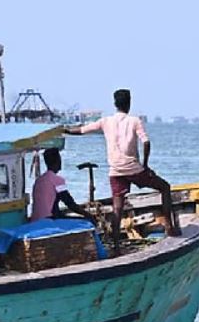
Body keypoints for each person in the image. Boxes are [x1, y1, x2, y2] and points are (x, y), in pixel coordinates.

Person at [66, 89, 182, 237]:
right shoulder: (134, 121)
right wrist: (145, 166)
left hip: (116, 171)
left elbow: (81, 130)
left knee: (117, 208)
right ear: (129, 103)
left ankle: (116, 245)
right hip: (134, 168)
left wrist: (65, 130)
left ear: (115, 104)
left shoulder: (105, 121)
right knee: (165, 187)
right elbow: (146, 142)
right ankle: (169, 227)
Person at [30, 148, 95, 223]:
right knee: (87, 221)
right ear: (57, 161)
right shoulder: (57, 180)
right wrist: (88, 215)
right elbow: (70, 203)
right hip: (49, 220)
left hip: (35, 220)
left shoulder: (38, 181)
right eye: (59, 159)